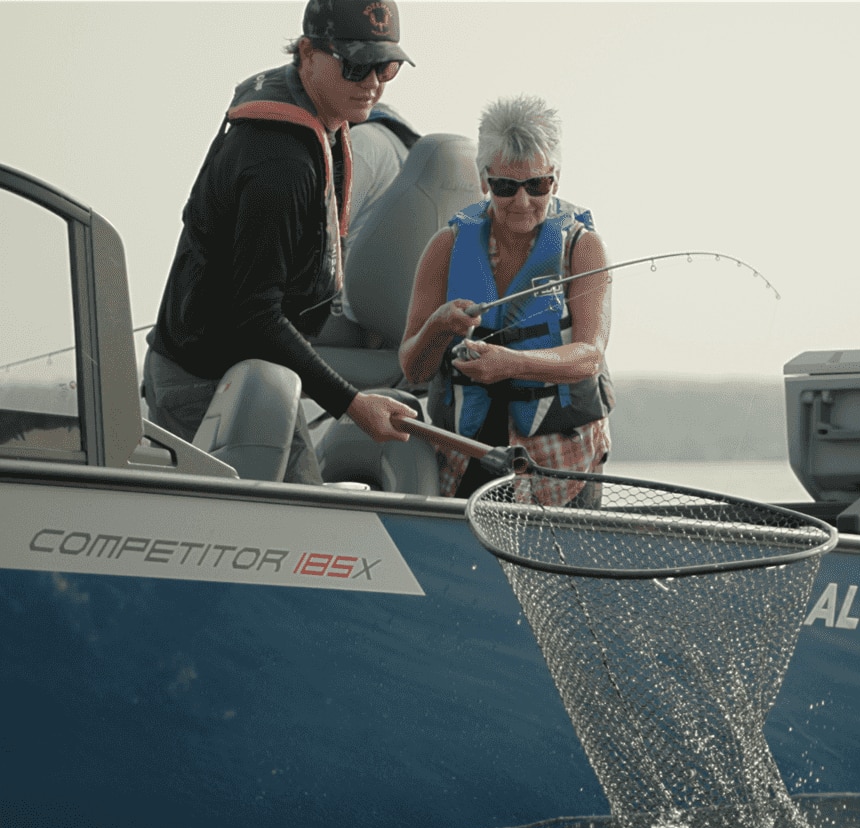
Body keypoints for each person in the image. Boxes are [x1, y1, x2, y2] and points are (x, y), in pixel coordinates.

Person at [143, 0, 419, 484]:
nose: (373, 82)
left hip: (252, 369)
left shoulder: (319, 118)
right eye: (357, 64)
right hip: (204, 382)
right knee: (271, 527)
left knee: (304, 507)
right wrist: (353, 404)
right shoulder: (280, 163)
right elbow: (255, 313)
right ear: (308, 53)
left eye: (386, 66)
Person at [400, 95, 615, 505]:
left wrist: (509, 365)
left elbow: (589, 356)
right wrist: (438, 326)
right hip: (468, 455)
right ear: (484, 181)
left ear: (555, 178)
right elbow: (413, 367)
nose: (522, 202)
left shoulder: (583, 249)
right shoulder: (445, 247)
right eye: (505, 187)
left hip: (564, 460)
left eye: (537, 185)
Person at [317, 101, 420, 349]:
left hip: (347, 313)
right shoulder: (403, 151)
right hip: (389, 315)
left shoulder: (362, 142)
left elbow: (318, 236)